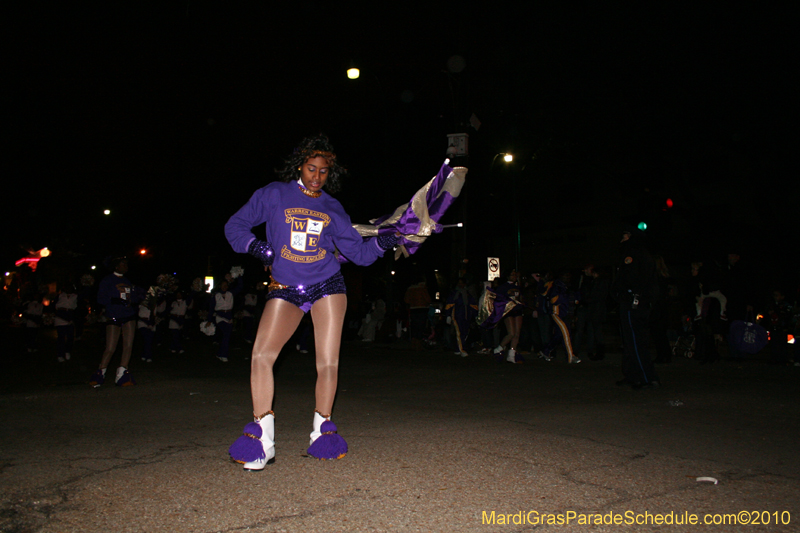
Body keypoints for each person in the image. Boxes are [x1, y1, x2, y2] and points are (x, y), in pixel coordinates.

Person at [223, 134, 399, 470]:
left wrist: (384, 243)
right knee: (261, 355)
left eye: (323, 171)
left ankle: (323, 433)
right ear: (299, 166)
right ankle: (262, 440)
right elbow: (235, 225)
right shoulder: (273, 193)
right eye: (311, 168)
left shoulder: (333, 208)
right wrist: (255, 246)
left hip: (327, 284)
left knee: (327, 363)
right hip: (286, 286)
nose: (317, 176)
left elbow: (359, 254)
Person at [611, 229, 660, 389]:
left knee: (636, 341)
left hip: (634, 303)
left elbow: (631, 279)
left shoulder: (634, 254)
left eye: (624, 236)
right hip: (636, 302)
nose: (622, 240)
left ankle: (647, 377)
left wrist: (622, 292)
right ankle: (633, 375)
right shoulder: (642, 254)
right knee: (630, 341)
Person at [89, 257, 138, 387]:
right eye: (123, 264)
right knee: (110, 347)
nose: (125, 266)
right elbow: (100, 298)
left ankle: (122, 374)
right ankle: (100, 373)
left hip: (129, 315)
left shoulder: (127, 281)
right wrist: (114, 300)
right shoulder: (107, 280)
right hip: (114, 315)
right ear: (116, 267)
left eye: (126, 264)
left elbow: (133, 297)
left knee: (128, 345)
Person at [493, 271, 524, 362]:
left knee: (517, 333)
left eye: (515, 275)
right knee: (511, 333)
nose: (514, 276)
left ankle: (511, 354)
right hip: (508, 311)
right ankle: (499, 348)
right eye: (512, 275)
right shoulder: (503, 287)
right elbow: (498, 299)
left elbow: (521, 298)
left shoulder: (518, 287)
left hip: (518, 310)